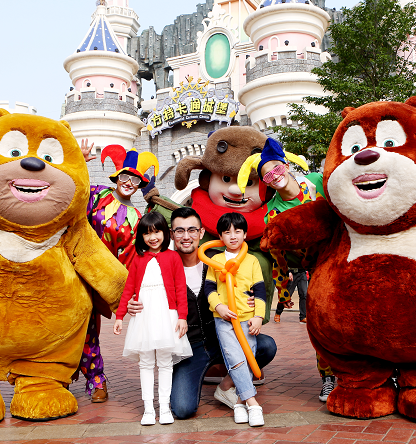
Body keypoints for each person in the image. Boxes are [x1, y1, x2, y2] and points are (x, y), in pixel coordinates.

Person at [128, 207, 277, 419]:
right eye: (179, 231)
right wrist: (133, 303)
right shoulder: (161, 265)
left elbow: (248, 282)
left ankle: (227, 385)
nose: (186, 236)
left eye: (192, 230)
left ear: (201, 232)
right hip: (189, 346)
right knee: (182, 409)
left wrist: (251, 299)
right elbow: (138, 287)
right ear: (171, 234)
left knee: (266, 346)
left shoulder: (217, 261)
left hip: (222, 336)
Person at [238, 137, 337, 402]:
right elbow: (277, 256)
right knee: (320, 323)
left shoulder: (317, 183)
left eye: (276, 168)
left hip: (343, 258)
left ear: (287, 165)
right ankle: (328, 377)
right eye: (267, 175)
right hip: (317, 271)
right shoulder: (273, 213)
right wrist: (283, 291)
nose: (274, 175)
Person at [78, 140, 159, 402]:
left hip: (101, 279)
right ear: (117, 177)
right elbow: (73, 193)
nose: (129, 183)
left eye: (135, 180)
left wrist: (130, 292)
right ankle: (65, 376)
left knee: (89, 328)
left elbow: (133, 257)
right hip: (75, 269)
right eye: (125, 177)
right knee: (67, 325)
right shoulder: (97, 194)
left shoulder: (136, 217)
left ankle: (96, 379)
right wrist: (79, 162)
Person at [113, 211, 192, 426]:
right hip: (144, 317)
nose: (153, 237)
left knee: (165, 362)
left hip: (167, 316)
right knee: (146, 362)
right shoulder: (138, 259)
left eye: (157, 232)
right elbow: (129, 288)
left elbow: (180, 289)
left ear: (165, 233)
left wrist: (182, 317)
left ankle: (164, 407)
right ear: (141, 237)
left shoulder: (173, 257)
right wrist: (120, 316)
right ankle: (148, 409)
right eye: (147, 233)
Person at [204, 212, 266, 427]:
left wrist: (258, 316)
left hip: (247, 319)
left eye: (237, 231)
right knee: (235, 358)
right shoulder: (215, 260)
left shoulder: (252, 260)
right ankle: (253, 403)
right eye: (227, 232)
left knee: (248, 357)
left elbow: (260, 290)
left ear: (245, 234)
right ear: (220, 236)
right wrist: (218, 306)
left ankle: (240, 403)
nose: (232, 236)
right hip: (223, 320)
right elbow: (209, 288)